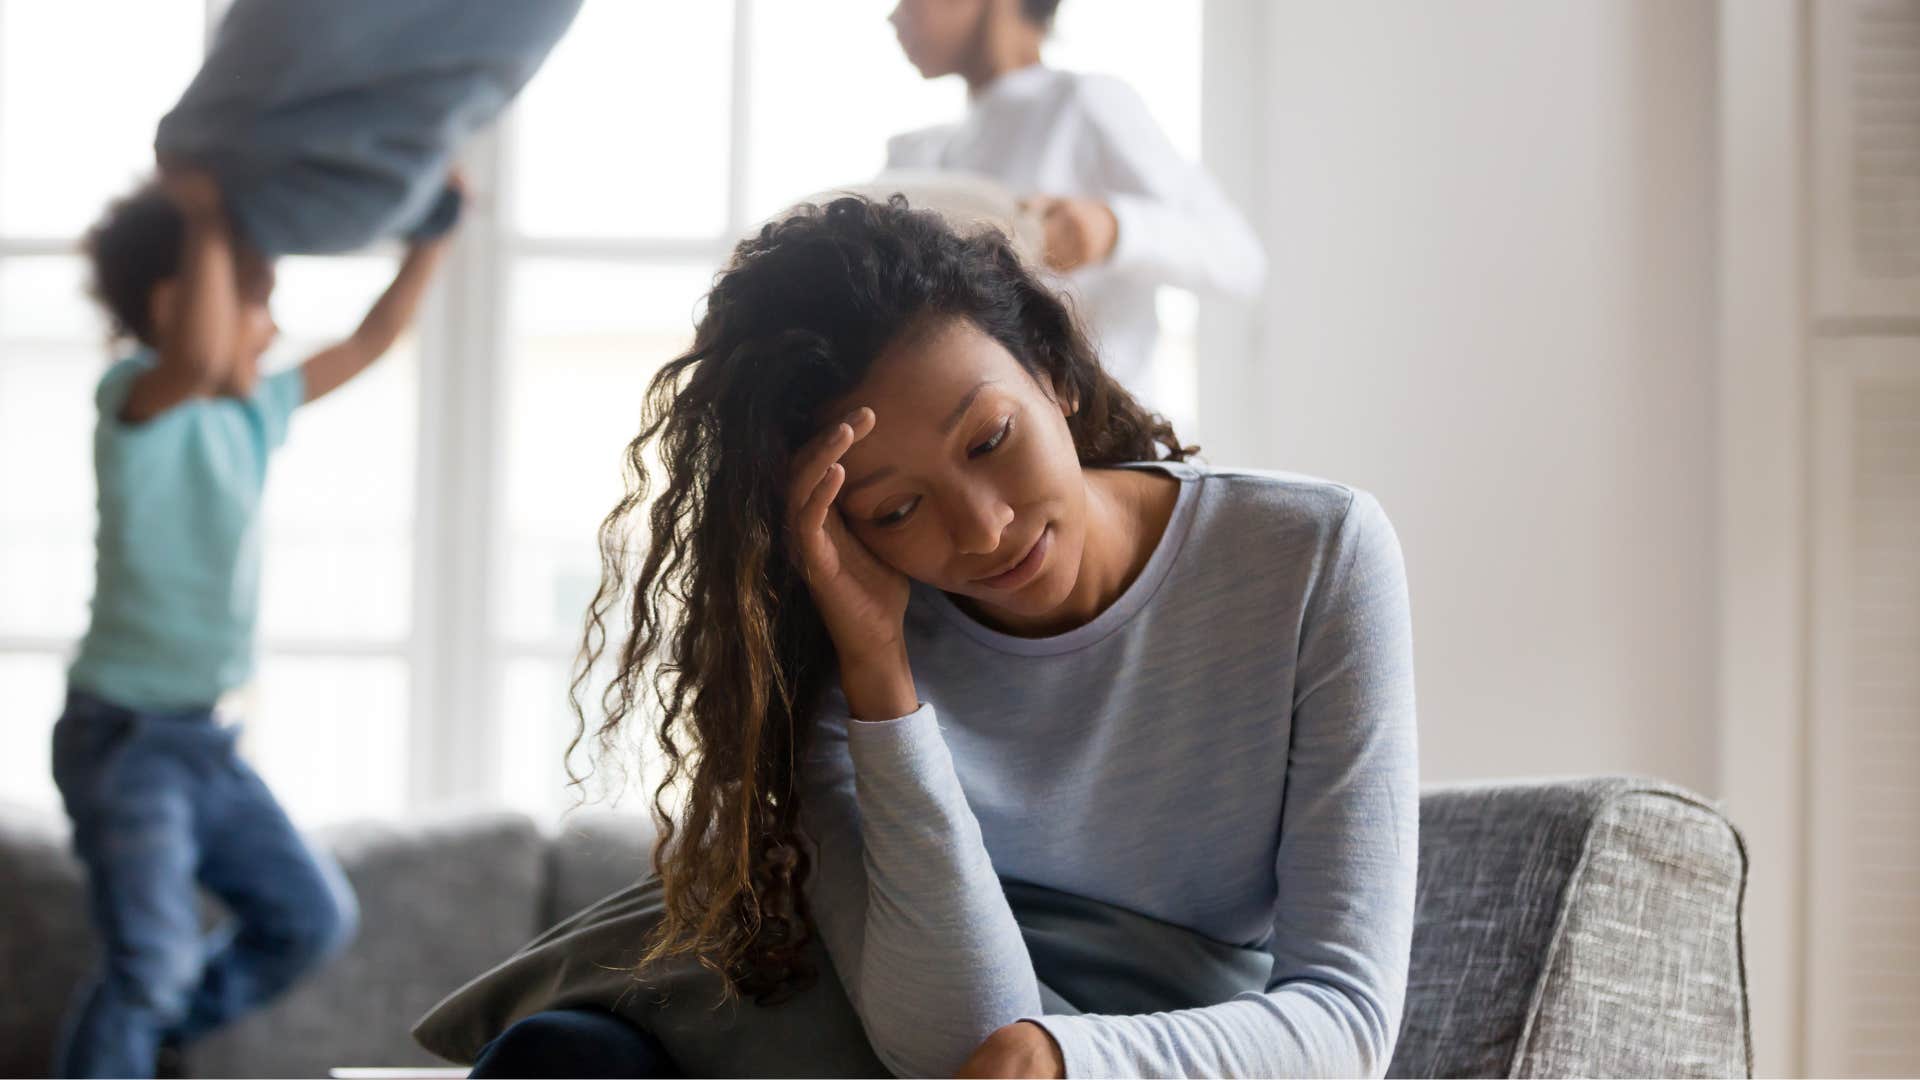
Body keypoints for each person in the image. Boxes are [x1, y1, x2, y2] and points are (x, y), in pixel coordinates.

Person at [415, 196, 1415, 1079]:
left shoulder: (1313, 556)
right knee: (563, 1062)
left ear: (1055, 370)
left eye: (992, 441)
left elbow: (1348, 1016)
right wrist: (879, 673)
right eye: (896, 510)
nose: (983, 529)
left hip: (1140, 1043)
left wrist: (1070, 1060)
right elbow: (948, 1035)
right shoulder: (831, 641)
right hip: (871, 1016)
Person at [52, 165, 457, 1079]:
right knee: (147, 963)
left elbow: (373, 338)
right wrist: (204, 219)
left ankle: (143, 1034)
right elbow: (193, 359)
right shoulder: (137, 401)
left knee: (309, 918)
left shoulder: (256, 409)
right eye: (254, 303)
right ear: (172, 305)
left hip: (204, 741)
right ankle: (136, 1022)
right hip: (122, 739)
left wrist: (436, 235)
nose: (270, 328)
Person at [884, 0, 1267, 410]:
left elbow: (1238, 257)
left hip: (1103, 438)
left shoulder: (1081, 104)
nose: (895, 15)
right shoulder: (922, 153)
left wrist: (1110, 229)